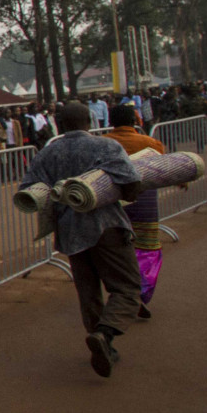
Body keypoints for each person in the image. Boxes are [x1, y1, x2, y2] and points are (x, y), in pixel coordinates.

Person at [21, 103, 143, 378]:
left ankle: (102, 344)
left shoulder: (47, 153)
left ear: (58, 125)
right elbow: (131, 184)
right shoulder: (106, 147)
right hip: (107, 225)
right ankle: (105, 333)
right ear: (89, 120)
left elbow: (30, 189)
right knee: (127, 288)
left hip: (70, 231)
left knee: (88, 292)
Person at [101, 104, 166, 318]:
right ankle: (139, 293)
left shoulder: (103, 144)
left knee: (119, 251)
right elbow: (164, 169)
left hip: (113, 207)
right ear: (135, 121)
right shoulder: (150, 143)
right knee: (147, 249)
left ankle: (123, 295)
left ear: (111, 121)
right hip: (145, 205)